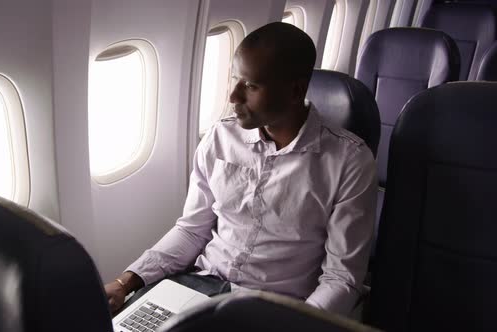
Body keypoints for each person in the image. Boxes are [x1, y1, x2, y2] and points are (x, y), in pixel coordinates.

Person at [105, 22, 377, 316]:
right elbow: (191, 231)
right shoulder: (220, 137)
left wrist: (300, 325)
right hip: (199, 287)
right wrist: (126, 281)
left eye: (250, 85)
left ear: (295, 90)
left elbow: (341, 278)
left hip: (274, 308)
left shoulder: (350, 161)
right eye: (235, 80)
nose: (233, 97)